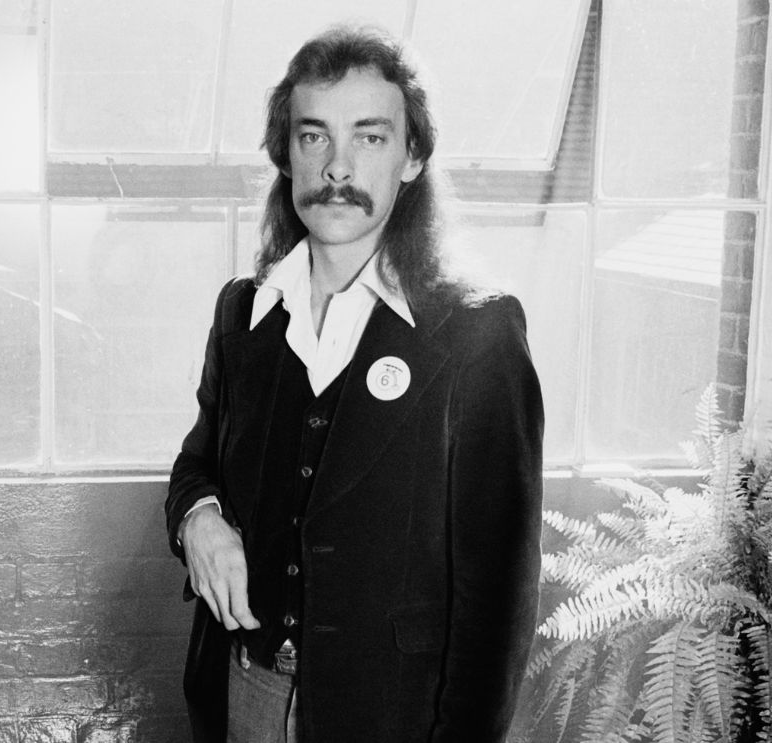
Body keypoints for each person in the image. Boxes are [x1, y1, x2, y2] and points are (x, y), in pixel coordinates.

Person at [165, 24, 543, 743]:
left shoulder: (478, 334)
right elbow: (196, 465)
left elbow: (497, 603)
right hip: (241, 690)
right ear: (285, 153)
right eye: (314, 137)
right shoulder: (243, 313)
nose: (336, 166)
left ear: (412, 157)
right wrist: (199, 519)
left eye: (368, 137)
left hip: (389, 715)